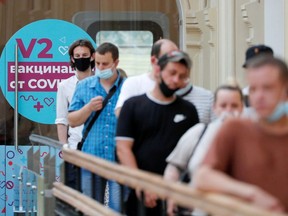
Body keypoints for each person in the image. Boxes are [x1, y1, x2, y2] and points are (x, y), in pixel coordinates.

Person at [193, 56, 288, 213]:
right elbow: (202, 177)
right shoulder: (236, 129)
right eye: (253, 89)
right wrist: (251, 194)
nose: (259, 97)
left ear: (285, 90)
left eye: (268, 88)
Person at [116, 50, 200, 216]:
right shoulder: (132, 106)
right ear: (157, 71)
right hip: (140, 192)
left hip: (177, 193)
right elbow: (123, 149)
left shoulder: (189, 111)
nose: (176, 80)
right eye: (172, 73)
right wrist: (141, 185)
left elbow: (194, 153)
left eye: (182, 76)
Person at [164, 83, 244, 215]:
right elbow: (174, 167)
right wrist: (172, 193)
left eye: (234, 106)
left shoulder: (253, 138)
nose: (228, 111)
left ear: (242, 108)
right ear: (214, 108)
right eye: (223, 106)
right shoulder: (199, 132)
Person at [68, 42, 124, 211]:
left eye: (105, 64)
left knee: (117, 208)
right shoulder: (85, 86)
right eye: (97, 63)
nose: (100, 67)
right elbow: (72, 120)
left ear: (116, 63)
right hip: (91, 157)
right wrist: (88, 108)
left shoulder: (127, 86)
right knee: (91, 208)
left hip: (119, 159)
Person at [115, 39, 214, 124]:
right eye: (168, 58)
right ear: (154, 61)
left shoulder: (200, 99)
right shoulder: (134, 83)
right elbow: (122, 115)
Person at [55, 39, 95, 149]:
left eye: (85, 55)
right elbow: (61, 120)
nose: (81, 58)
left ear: (92, 56)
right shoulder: (64, 86)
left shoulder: (101, 82)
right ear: (72, 58)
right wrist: (64, 147)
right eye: (77, 55)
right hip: (75, 145)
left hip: (98, 145)